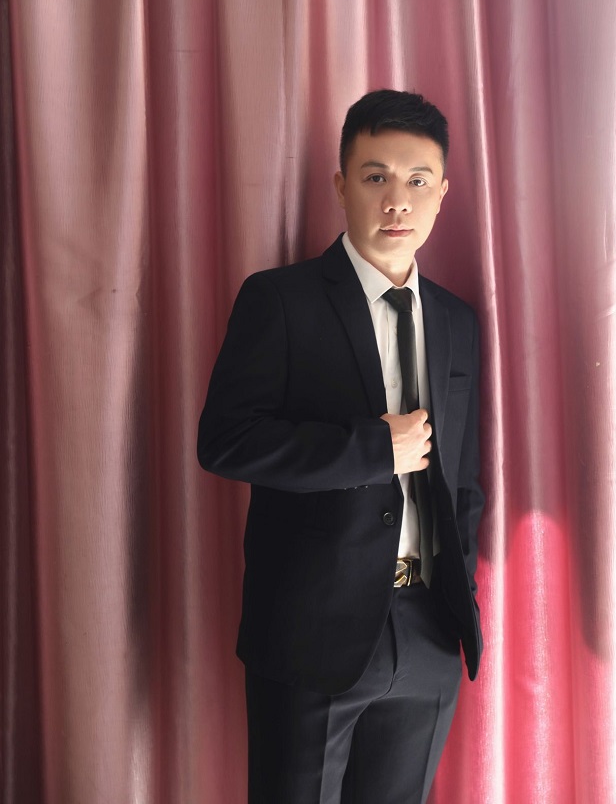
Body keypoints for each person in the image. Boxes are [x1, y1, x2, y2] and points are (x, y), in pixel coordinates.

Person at [197, 89, 484, 804]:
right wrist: (371, 450)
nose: (397, 199)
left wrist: (461, 598)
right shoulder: (280, 300)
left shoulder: (456, 320)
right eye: (375, 175)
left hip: (428, 631)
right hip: (309, 635)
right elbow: (225, 442)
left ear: (442, 193)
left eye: (417, 179)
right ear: (341, 185)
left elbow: (464, 481)